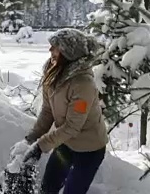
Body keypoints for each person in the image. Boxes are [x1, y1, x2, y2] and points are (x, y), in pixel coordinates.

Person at [16, 28, 108, 194]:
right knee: (48, 189)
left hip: (89, 150)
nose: (50, 50)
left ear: (68, 52)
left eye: (55, 47)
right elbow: (47, 112)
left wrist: (40, 146)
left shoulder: (82, 84)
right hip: (66, 143)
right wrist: (31, 139)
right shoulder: (53, 75)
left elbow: (73, 126)